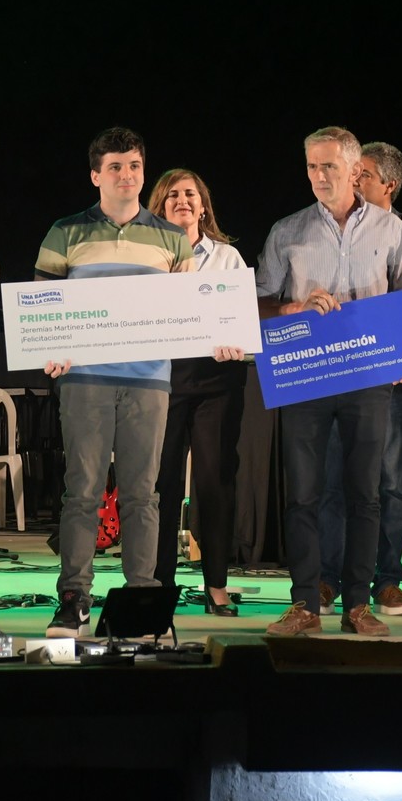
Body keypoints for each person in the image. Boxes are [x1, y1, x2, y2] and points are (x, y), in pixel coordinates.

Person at [257, 127, 402, 637]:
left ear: (354, 171)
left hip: (369, 375)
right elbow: (257, 305)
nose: (318, 176)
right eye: (311, 166)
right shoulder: (287, 230)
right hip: (307, 374)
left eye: (328, 166)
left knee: (365, 494)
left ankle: (358, 606)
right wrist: (294, 307)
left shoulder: (390, 229)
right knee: (303, 493)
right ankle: (305, 604)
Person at [37, 127, 192, 638]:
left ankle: (141, 600)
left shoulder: (172, 238)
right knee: (81, 492)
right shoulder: (65, 231)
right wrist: (49, 348)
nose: (127, 176)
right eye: (116, 167)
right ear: (95, 176)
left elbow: (194, 311)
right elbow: (43, 305)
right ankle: (74, 599)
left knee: (143, 495)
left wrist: (222, 336)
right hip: (86, 380)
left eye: (134, 166)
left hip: (150, 380)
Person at [316, 141, 402, 617]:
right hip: (335, 374)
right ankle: (328, 578)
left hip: (391, 382)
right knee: (332, 479)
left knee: (389, 481)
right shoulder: (325, 226)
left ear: (388, 184)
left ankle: (387, 580)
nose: (352, 181)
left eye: (362, 174)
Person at [146, 169, 250, 616]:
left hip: (217, 380)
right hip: (161, 377)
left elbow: (243, 320)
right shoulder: (145, 255)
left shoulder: (227, 258)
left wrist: (237, 340)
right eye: (172, 195)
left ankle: (217, 586)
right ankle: (158, 584)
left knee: (215, 482)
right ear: (159, 207)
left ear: (203, 205)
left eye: (190, 194)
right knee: (162, 483)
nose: (182, 200)